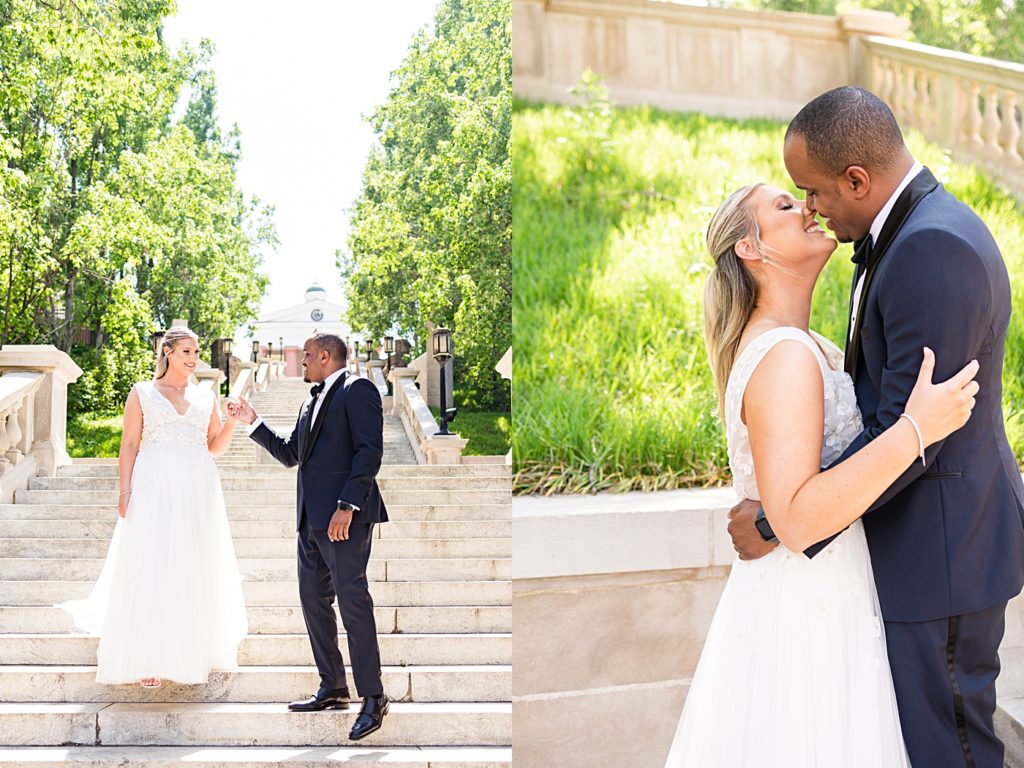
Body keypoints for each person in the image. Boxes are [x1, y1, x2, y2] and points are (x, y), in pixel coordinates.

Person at [725, 87, 1024, 767]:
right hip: (923, 554)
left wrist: (780, 518)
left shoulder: (931, 248)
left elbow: (914, 432)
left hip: (943, 555)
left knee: (951, 749)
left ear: (858, 180)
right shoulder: (905, 237)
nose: (811, 207)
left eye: (814, 192)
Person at [662, 175, 982, 765]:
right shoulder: (783, 355)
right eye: (785, 206)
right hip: (806, 605)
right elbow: (801, 518)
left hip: (828, 589)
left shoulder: (798, 343)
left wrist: (768, 520)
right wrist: (918, 429)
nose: (807, 207)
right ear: (750, 249)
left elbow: (801, 490)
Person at [61, 326, 248, 688]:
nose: (194, 360)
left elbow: (215, 447)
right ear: (168, 353)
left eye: (196, 353)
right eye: (186, 353)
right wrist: (124, 490)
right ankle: (146, 656)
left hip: (197, 485)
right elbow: (129, 444)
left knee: (191, 562)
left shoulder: (206, 396)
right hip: (154, 484)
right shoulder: (143, 392)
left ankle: (191, 649)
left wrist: (233, 423)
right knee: (153, 561)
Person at [229, 333, 389, 741]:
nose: (300, 364)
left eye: (304, 358)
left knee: (353, 602)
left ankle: (373, 697)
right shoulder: (309, 400)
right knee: (313, 604)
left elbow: (369, 452)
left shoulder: (359, 389)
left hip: (344, 518)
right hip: (309, 521)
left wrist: (348, 505)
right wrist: (253, 421)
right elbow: (290, 454)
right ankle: (333, 686)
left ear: (324, 356)